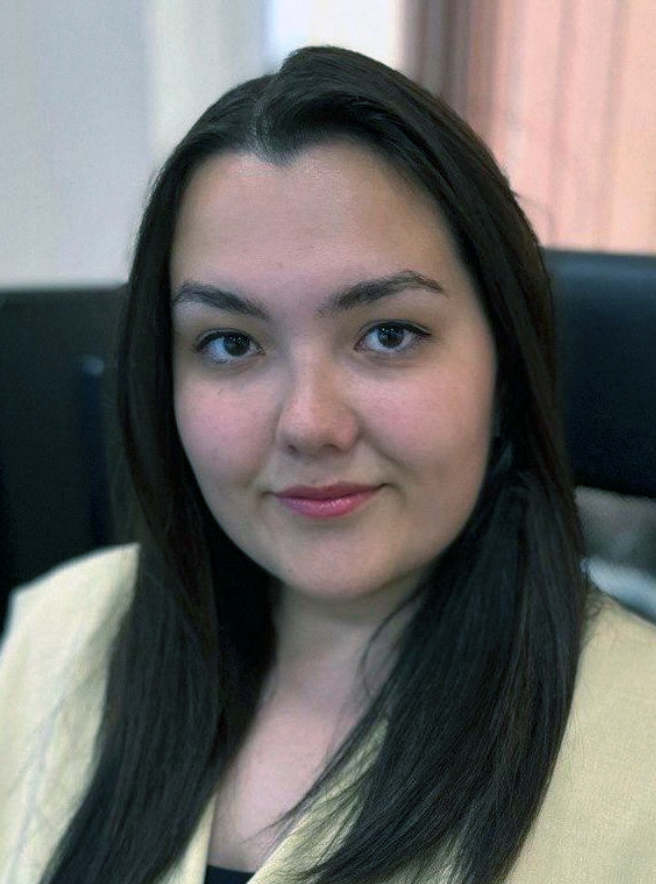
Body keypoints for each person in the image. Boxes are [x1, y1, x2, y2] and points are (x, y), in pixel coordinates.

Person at [1, 46, 655, 884]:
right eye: (230, 343)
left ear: (505, 367)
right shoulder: (62, 633)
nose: (310, 425)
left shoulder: (637, 747)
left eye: (389, 333)